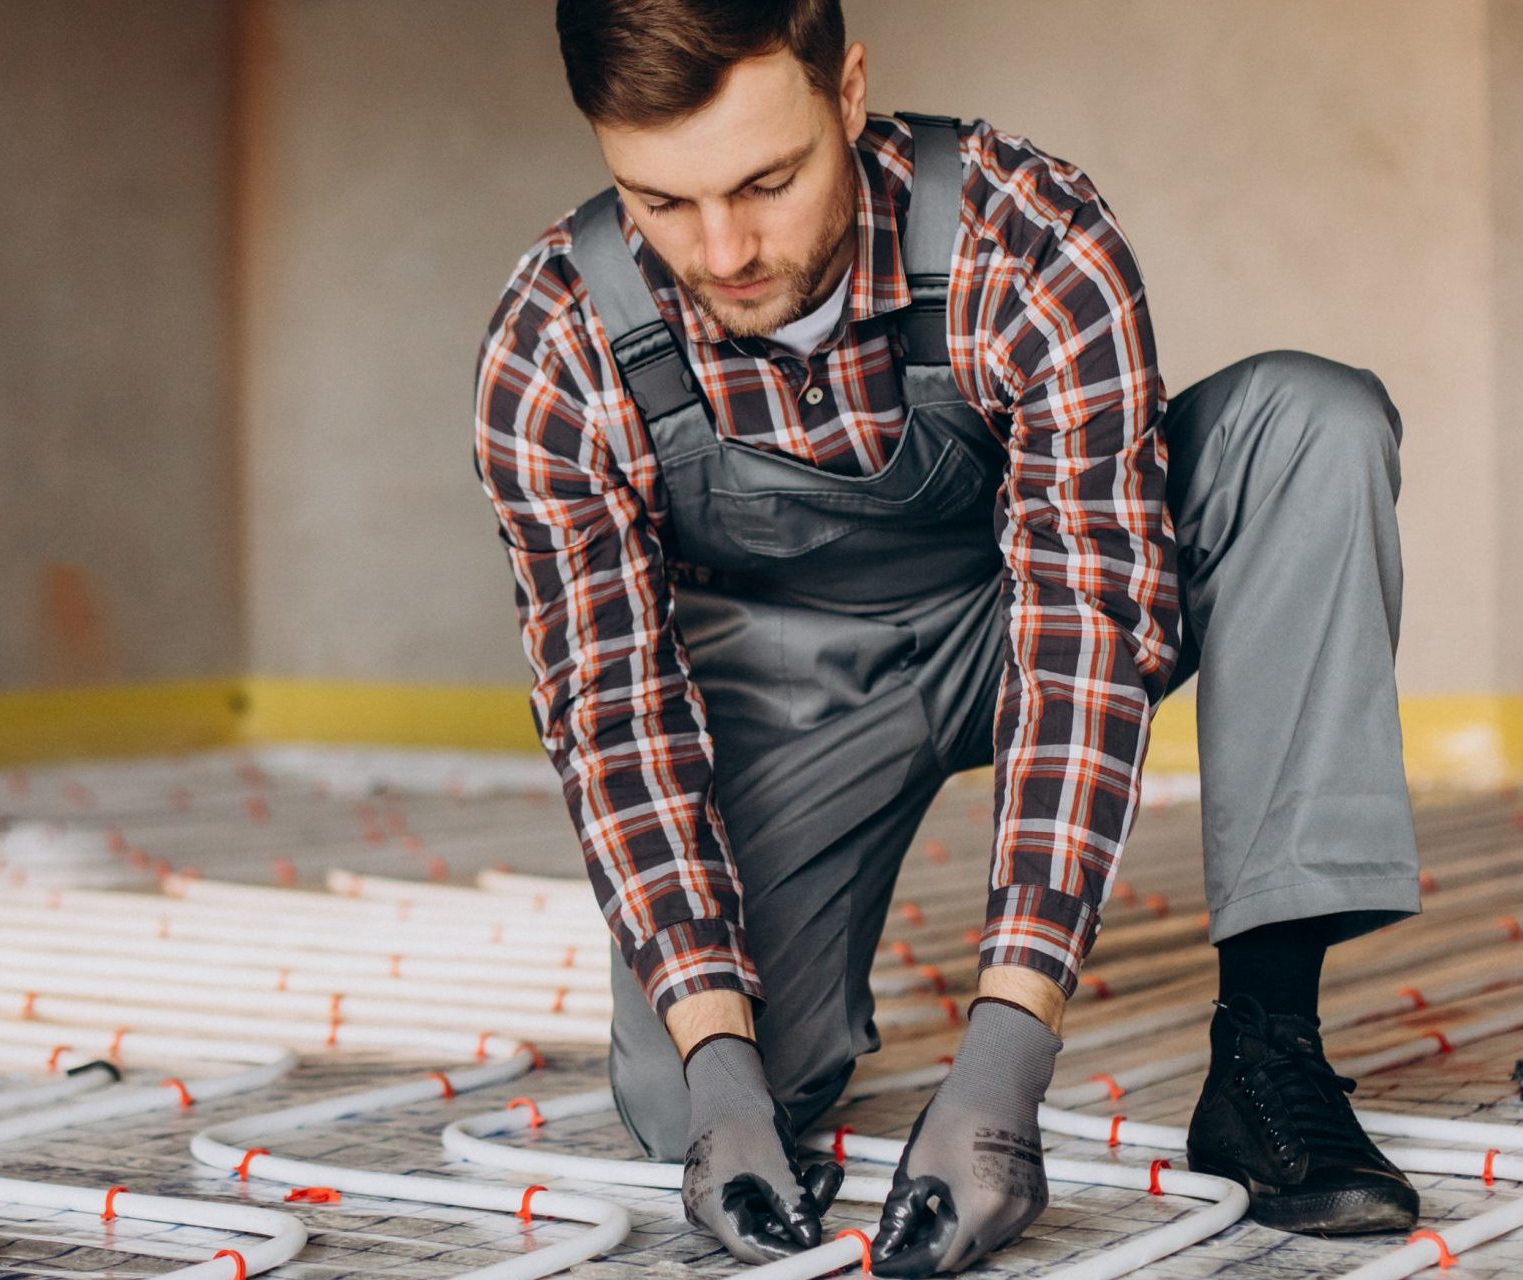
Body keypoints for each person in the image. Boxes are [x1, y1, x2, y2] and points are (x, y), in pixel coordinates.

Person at [471, 1, 1425, 1272]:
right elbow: (617, 721)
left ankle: (1267, 1053)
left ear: (848, 91)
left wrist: (1002, 1063)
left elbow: (1084, 620)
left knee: (1309, 425)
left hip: (1015, 612)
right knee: (673, 1102)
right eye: (661, 202)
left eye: (768, 180)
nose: (727, 248)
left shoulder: (1023, 235)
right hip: (786, 695)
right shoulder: (553, 347)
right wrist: (718, 1069)